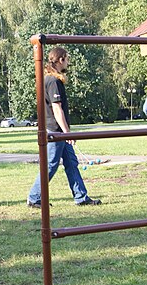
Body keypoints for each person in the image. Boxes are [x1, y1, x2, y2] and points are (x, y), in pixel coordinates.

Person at [26, 47, 101, 208]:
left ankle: (81, 196)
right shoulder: (53, 81)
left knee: (71, 162)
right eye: (67, 59)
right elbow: (56, 108)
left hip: (57, 130)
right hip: (55, 130)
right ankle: (34, 197)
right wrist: (67, 133)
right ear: (60, 60)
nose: (68, 62)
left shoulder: (50, 79)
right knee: (51, 165)